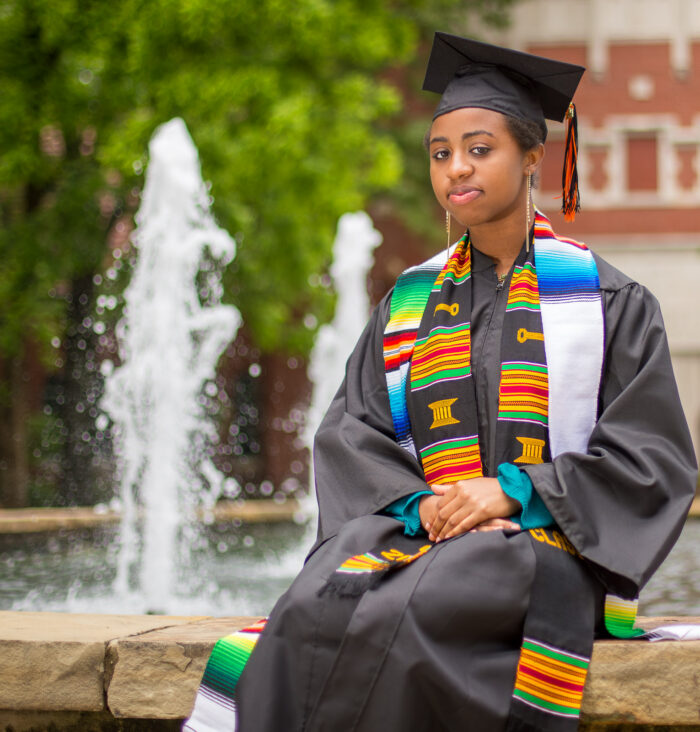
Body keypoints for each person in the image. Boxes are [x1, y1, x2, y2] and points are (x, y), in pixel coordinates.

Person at [184, 33, 697, 732]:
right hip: (416, 534)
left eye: (480, 149)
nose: (457, 168)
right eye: (441, 152)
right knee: (311, 605)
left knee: (409, 606)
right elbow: (350, 431)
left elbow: (652, 458)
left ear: (533, 158)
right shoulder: (407, 304)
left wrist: (513, 492)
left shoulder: (609, 303)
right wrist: (418, 506)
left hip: (540, 548)